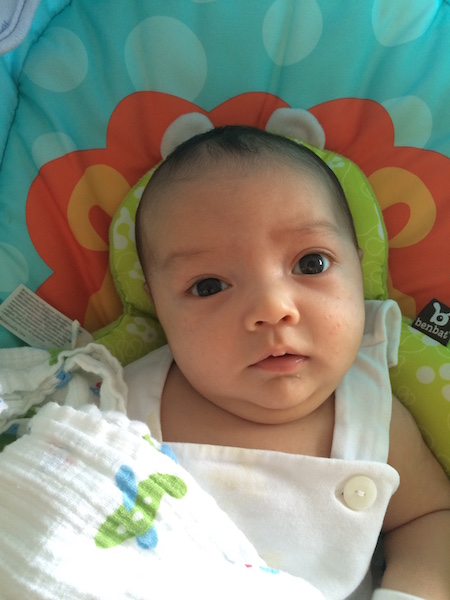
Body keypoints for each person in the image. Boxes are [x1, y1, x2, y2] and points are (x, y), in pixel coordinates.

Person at [125, 125, 450, 600]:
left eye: (311, 264)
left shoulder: (371, 414)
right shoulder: (117, 403)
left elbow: (430, 519)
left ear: (359, 274)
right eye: (209, 286)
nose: (272, 307)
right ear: (158, 307)